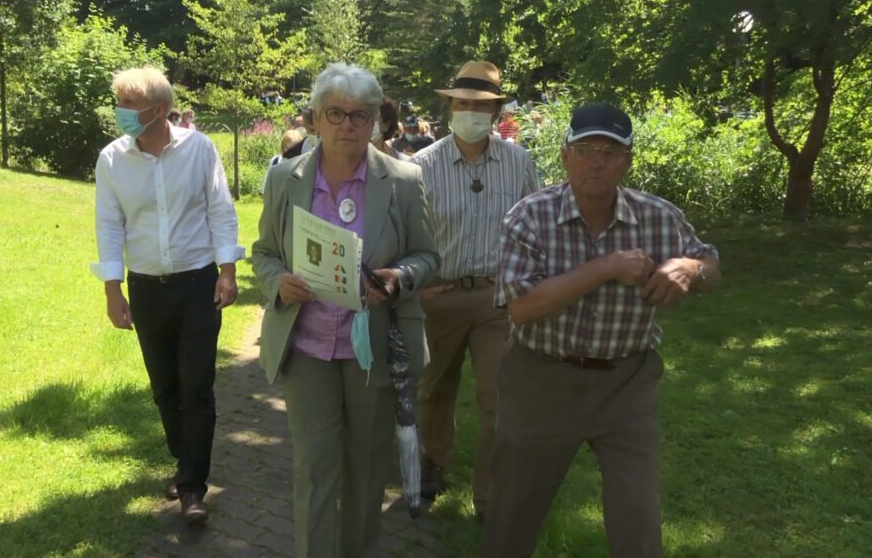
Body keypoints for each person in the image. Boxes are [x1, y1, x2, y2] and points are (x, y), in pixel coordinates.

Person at [480, 102, 721, 557]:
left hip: (626, 383)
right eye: (586, 149)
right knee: (513, 516)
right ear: (566, 154)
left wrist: (690, 269)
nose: (596, 161)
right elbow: (523, 308)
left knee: (638, 522)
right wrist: (607, 266)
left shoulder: (658, 217)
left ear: (627, 161)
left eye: (609, 152)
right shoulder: (529, 217)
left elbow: (711, 263)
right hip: (540, 381)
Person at [251, 62, 439, 558]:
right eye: (335, 114)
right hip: (307, 346)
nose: (347, 127)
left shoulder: (401, 180)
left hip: (371, 348)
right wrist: (279, 283)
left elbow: (428, 257)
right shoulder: (285, 179)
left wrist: (400, 279)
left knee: (366, 470)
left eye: (360, 116)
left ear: (376, 120)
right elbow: (264, 253)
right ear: (314, 118)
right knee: (314, 469)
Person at [91, 66, 244, 525]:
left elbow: (221, 208)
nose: (121, 114)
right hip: (145, 288)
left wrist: (228, 271)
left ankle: (193, 487)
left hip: (198, 284)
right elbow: (109, 224)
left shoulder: (199, 149)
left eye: (130, 106)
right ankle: (186, 460)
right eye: (118, 104)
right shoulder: (112, 159)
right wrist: (112, 289)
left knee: (196, 386)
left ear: (160, 110)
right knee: (165, 389)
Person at [409, 60, 540, 518]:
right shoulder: (421, 165)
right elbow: (407, 233)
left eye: (480, 105)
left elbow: (534, 228)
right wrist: (418, 288)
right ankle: (432, 464)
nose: (470, 111)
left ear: (496, 110)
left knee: (497, 395)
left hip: (495, 298)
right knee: (433, 389)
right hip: (438, 295)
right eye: (462, 103)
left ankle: (489, 495)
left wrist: (522, 286)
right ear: (449, 107)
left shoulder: (519, 163)